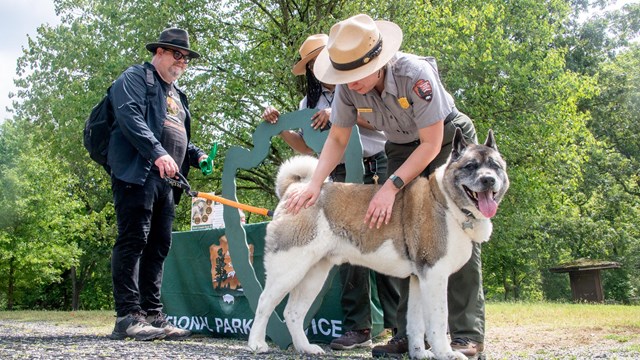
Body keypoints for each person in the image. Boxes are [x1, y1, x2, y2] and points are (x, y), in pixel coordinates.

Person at [285, 14, 484, 358]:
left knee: (460, 229)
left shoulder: (415, 74)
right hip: (402, 145)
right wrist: (314, 185)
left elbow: (432, 143)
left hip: (446, 139)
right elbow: (337, 138)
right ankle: (409, 334)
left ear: (377, 61)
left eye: (358, 74)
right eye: (344, 76)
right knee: (407, 239)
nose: (351, 83)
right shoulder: (349, 85)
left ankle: (466, 334)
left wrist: (390, 187)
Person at [262, 34, 399, 350]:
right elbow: (307, 146)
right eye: (313, 64)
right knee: (345, 247)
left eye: (323, 59)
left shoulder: (358, 82)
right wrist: (280, 127)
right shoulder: (307, 104)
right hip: (336, 172)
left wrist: (340, 117)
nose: (319, 67)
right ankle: (358, 328)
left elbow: (384, 125)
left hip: (375, 166)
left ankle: (397, 326)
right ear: (309, 69)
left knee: (386, 241)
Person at [107, 28, 208, 341]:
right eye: (177, 54)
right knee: (134, 239)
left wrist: (196, 154)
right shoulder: (136, 78)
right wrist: (158, 153)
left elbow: (175, 133)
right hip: (138, 172)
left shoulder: (177, 94)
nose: (182, 62)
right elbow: (130, 117)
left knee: (159, 245)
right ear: (160, 52)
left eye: (187, 58)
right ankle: (128, 317)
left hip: (168, 181)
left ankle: (153, 315)